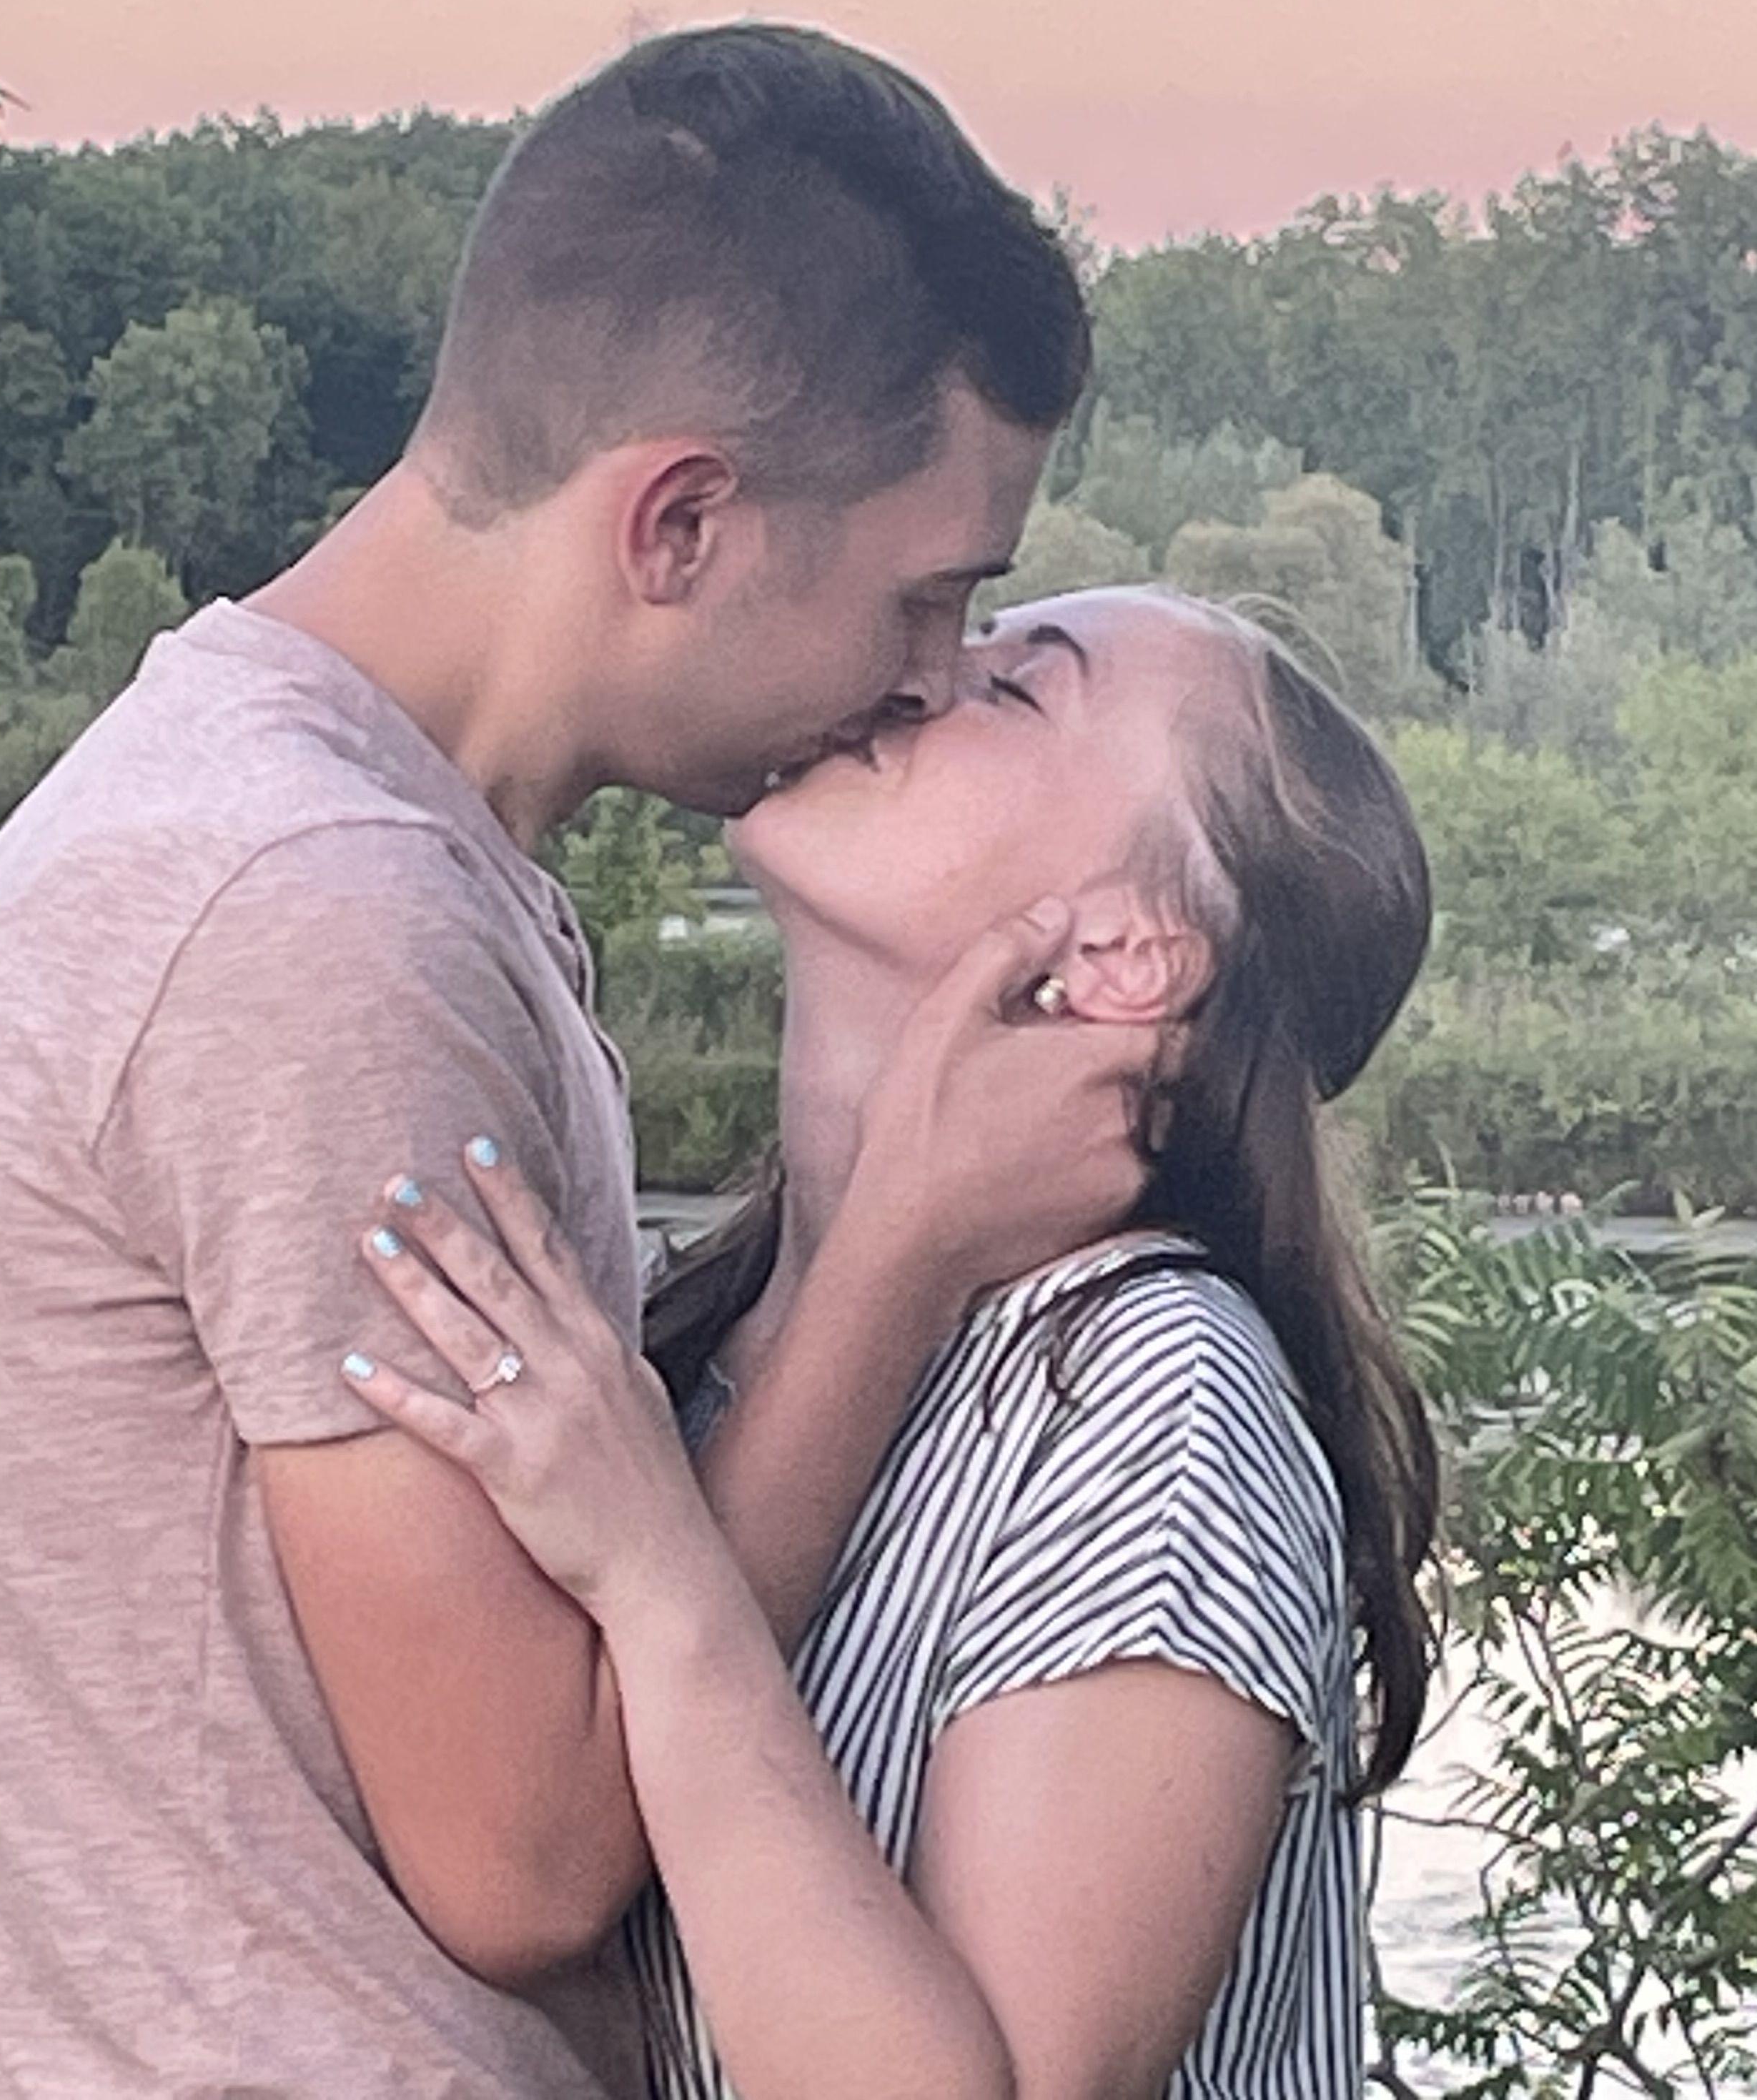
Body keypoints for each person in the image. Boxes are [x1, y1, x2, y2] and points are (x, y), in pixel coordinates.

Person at [0, 24, 1167, 2099]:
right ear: (680, 524)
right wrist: (894, 1256)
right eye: (930, 597)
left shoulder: (318, 844)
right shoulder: (318, 920)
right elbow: (529, 1851)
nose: (935, 681)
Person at [342, 585, 1442, 2100]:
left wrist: (666, 1584)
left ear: (1127, 955)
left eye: (1015, 688)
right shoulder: (685, 1337)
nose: (917, 669)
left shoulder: (1156, 1400)